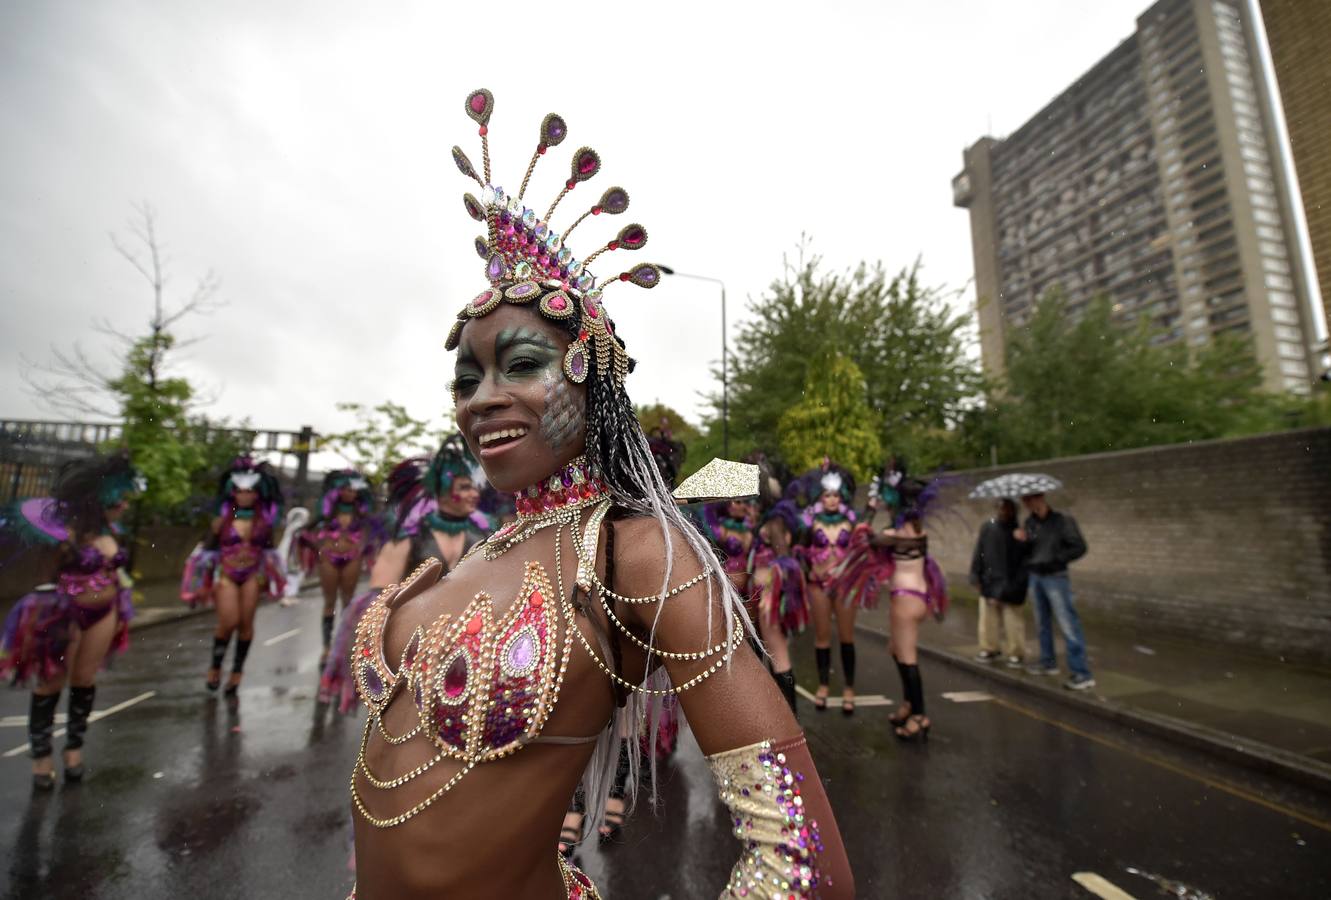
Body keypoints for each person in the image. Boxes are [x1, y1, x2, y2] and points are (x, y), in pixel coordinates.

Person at [345, 88, 852, 900]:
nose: (481, 399)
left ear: (594, 380)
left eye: (520, 364)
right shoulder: (479, 548)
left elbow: (802, 869)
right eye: (467, 377)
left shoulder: (633, 548)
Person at [0, 452, 143, 788]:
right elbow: (44, 575)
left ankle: (74, 747)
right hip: (63, 614)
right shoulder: (60, 531)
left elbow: (115, 570)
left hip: (104, 613)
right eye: (118, 498)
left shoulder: (112, 529)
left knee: (84, 679)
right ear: (97, 499)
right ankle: (41, 754)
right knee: (51, 682)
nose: (123, 504)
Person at [319, 437, 489, 713]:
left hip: (463, 652)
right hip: (413, 652)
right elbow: (377, 603)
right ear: (443, 492)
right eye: (465, 487)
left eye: (474, 487)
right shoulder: (408, 537)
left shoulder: (481, 535)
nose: (474, 494)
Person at [831, 477, 949, 742]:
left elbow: (864, 538)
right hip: (918, 597)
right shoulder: (920, 531)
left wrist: (868, 515)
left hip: (905, 600)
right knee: (896, 650)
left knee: (907, 657)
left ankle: (920, 716)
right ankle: (909, 704)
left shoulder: (896, 534)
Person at [180, 456, 286, 696]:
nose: (244, 495)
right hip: (226, 573)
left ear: (257, 493)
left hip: (251, 575)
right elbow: (205, 552)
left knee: (246, 624)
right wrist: (196, 583)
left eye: (249, 491)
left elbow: (271, 552)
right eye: (240, 491)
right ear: (232, 493)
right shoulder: (221, 522)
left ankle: (237, 673)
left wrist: (279, 578)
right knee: (229, 621)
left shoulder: (264, 522)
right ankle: (215, 666)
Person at [300, 469, 381, 667]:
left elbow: (374, 532)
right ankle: (326, 648)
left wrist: (363, 548)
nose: (350, 493)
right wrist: (320, 547)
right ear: (338, 490)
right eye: (346, 489)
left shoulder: (361, 513)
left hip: (352, 558)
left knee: (347, 602)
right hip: (329, 558)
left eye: (354, 490)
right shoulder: (327, 513)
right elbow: (303, 533)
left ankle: (344, 645)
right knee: (329, 603)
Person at [800, 464, 859, 715]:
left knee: (847, 636)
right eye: (827, 495)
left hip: (845, 585)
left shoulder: (852, 521)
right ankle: (823, 685)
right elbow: (798, 552)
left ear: (841, 496)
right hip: (818, 586)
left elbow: (861, 552)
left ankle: (849, 688)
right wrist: (809, 570)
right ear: (820, 498)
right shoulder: (810, 523)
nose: (832, 499)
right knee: (822, 636)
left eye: (836, 495)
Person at [1019, 492, 1093, 690]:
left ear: (1040, 498)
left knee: (1068, 624)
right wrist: (1023, 541)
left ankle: (1082, 673)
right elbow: (1028, 552)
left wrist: (1057, 558)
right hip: (1035, 577)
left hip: (1055, 578)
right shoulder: (1029, 523)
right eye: (1024, 500)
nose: (1026, 503)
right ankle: (1048, 662)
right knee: (1042, 623)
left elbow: (1080, 547)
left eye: (1029, 499)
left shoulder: (1062, 521)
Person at [969, 498, 1029, 668]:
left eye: (1007, 509)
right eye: (1001, 508)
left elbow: (1025, 558)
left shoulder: (1020, 531)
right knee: (988, 619)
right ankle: (989, 648)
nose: (1003, 512)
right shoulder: (988, 527)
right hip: (990, 579)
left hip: (1012, 581)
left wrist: (1024, 541)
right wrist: (975, 575)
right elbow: (979, 551)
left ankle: (1016, 653)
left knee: (1013, 621)